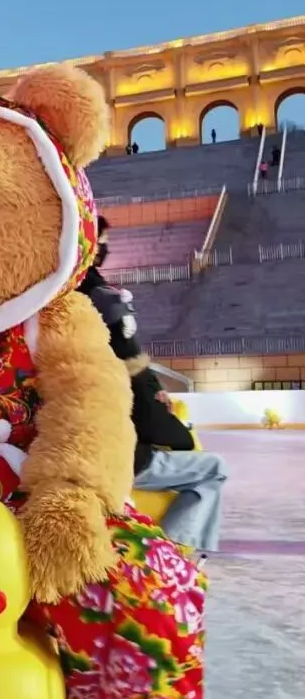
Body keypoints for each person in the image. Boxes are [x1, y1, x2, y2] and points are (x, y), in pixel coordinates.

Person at [80, 216, 227, 552]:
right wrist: (179, 433)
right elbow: (144, 407)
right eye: (100, 242)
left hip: (74, 451)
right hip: (115, 455)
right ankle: (172, 551)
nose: (104, 249)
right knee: (214, 469)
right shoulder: (103, 304)